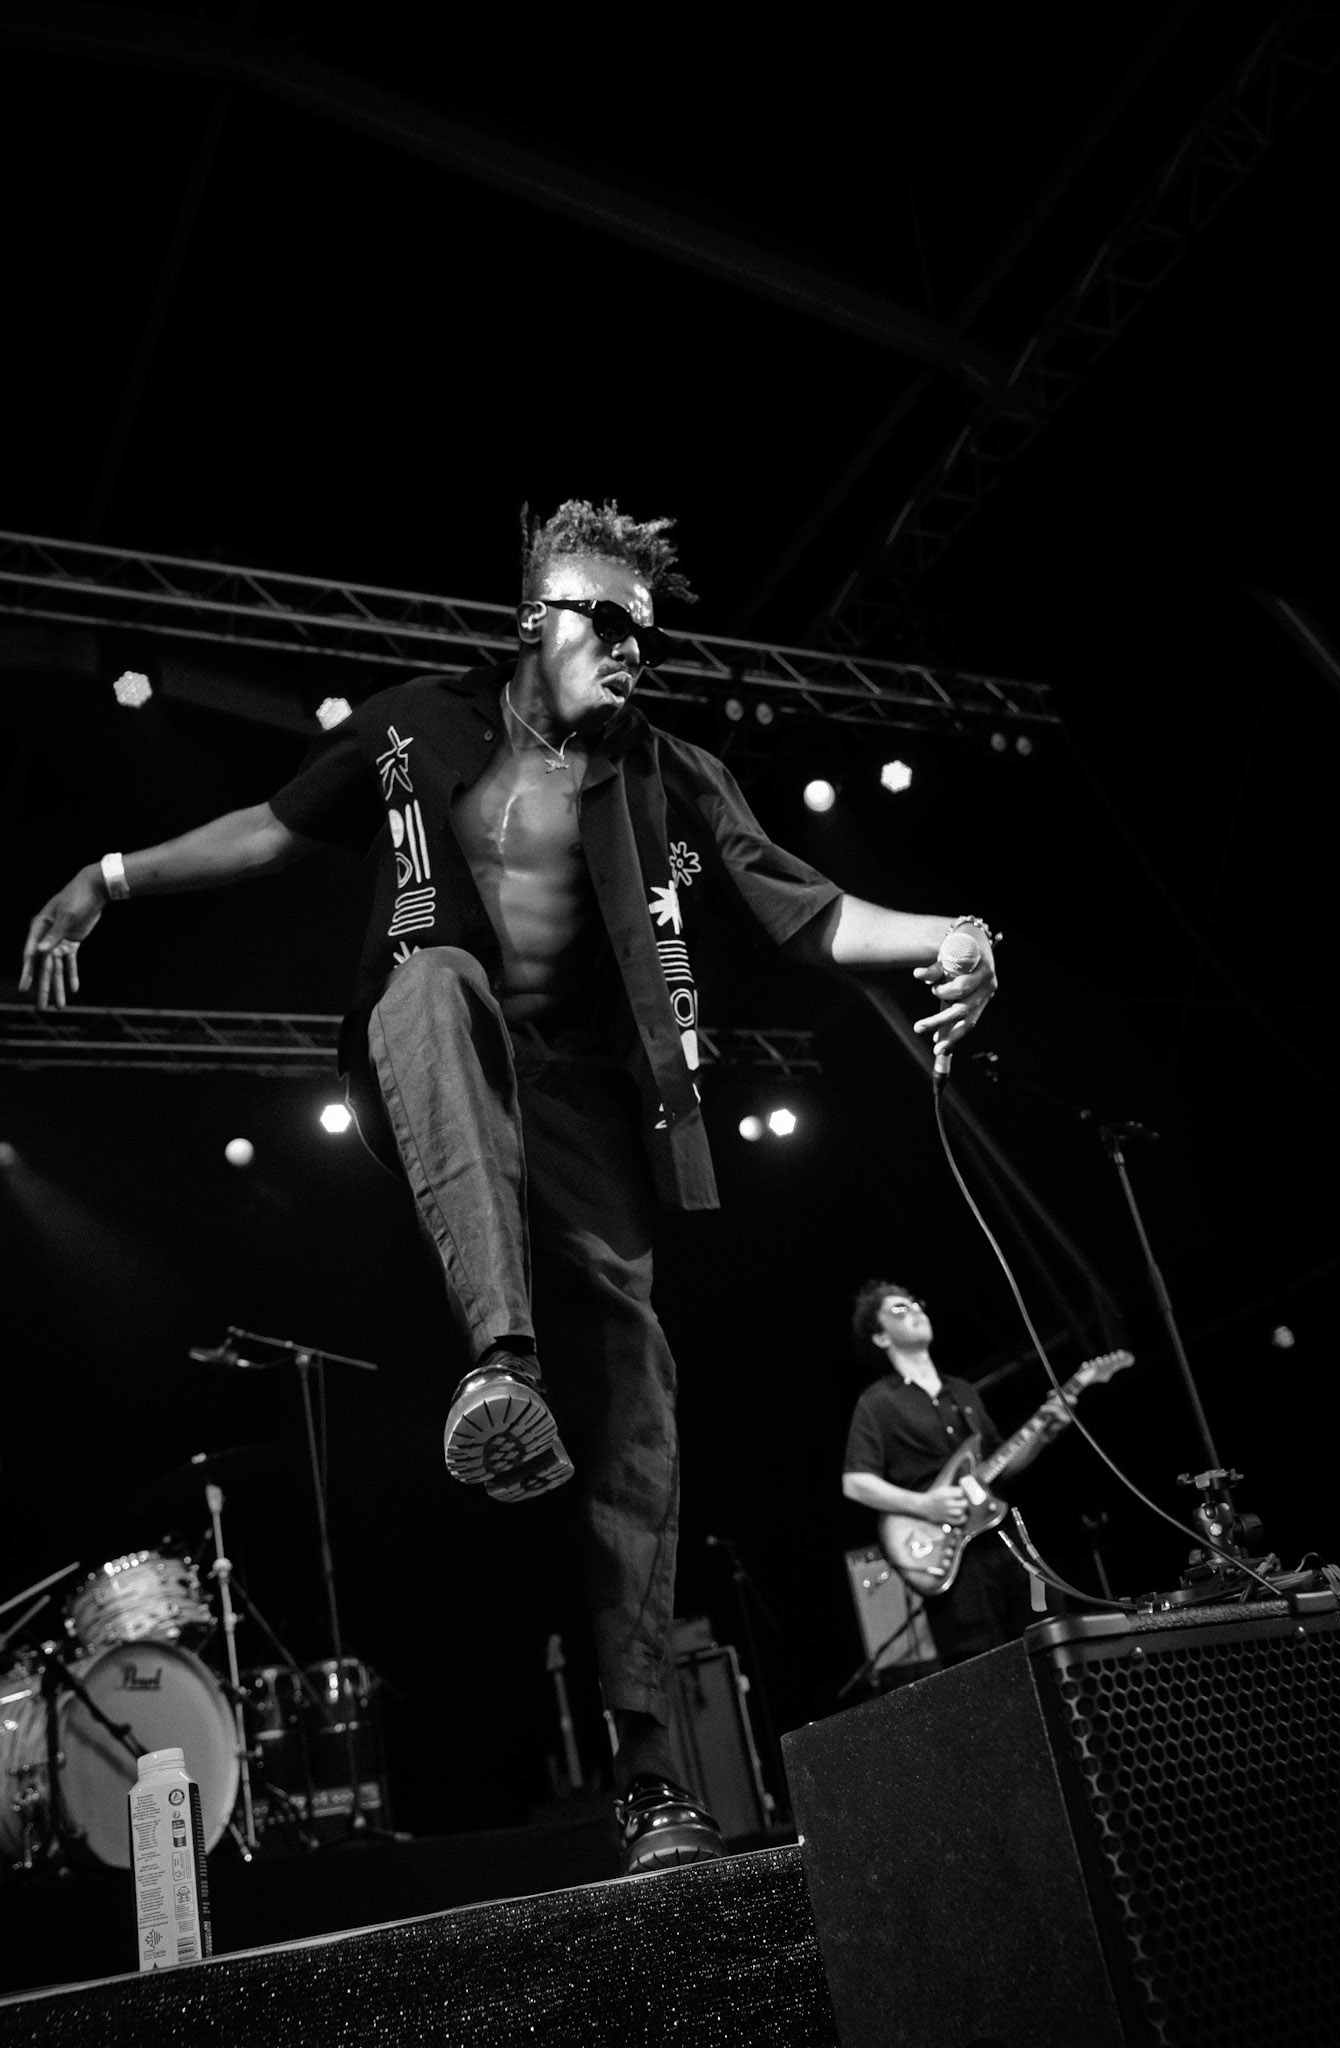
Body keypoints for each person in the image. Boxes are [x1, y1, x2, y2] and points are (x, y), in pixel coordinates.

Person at [22, 500, 998, 1868]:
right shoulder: (418, 720)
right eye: (608, 622)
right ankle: (498, 1356)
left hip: (593, 1110)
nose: (633, 651)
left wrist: (949, 931)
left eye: (650, 636)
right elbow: (272, 824)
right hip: (437, 1045)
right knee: (431, 983)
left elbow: (808, 907)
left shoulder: (672, 772)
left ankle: (652, 1778)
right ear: (536, 616)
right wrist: (109, 877)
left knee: (642, 1403)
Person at [843, 1283, 1051, 1667]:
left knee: (1041, 1641)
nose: (916, 1310)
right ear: (880, 1336)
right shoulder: (878, 1402)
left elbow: (1000, 1466)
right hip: (951, 1556)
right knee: (982, 1667)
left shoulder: (963, 1391)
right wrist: (926, 1504)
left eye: (916, 1303)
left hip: (1002, 1540)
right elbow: (855, 1482)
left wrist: (1044, 1432)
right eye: (900, 1309)